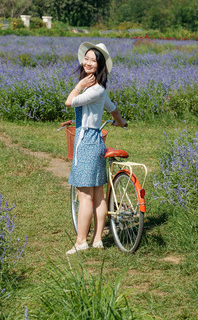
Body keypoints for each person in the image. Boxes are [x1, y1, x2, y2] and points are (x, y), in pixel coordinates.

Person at [65, 42, 127, 255]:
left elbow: (69, 102)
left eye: (94, 60)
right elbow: (114, 110)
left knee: (85, 195)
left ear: (99, 66)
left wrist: (79, 84)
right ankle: (98, 239)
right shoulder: (101, 90)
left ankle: (82, 241)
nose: (89, 62)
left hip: (87, 143)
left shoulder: (93, 90)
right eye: (87, 58)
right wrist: (121, 122)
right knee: (98, 193)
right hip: (97, 140)